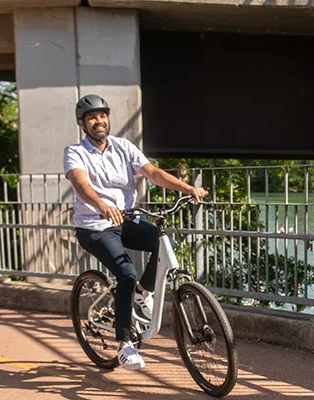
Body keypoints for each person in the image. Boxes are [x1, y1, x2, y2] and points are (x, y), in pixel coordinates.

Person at [64, 94, 208, 370]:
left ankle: (144, 291)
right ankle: (125, 344)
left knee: (161, 241)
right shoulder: (74, 152)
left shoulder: (123, 147)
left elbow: (153, 172)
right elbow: (81, 184)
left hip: (127, 219)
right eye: (92, 118)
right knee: (126, 273)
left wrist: (187, 188)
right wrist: (100, 205)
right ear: (82, 124)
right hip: (94, 226)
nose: (99, 121)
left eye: (102, 115)